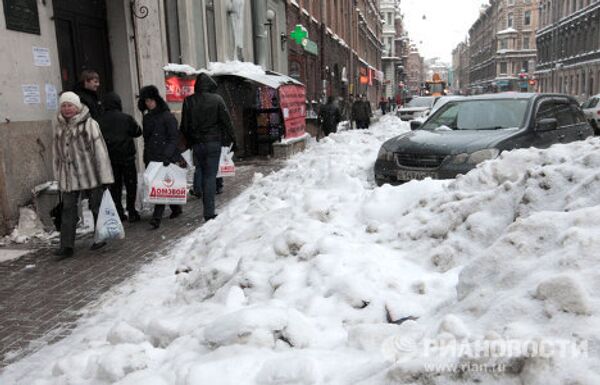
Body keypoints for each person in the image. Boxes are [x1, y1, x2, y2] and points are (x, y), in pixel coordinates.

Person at [52, 92, 114, 260]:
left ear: (77, 107)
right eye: (64, 105)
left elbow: (100, 151)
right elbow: (56, 155)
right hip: (69, 177)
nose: (67, 109)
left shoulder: (89, 124)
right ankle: (66, 246)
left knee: (96, 206)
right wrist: (59, 176)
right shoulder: (59, 127)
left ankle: (100, 237)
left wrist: (105, 177)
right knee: (68, 210)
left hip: (90, 173)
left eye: (70, 105)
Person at [180, 73, 236, 222]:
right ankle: (209, 212)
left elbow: (184, 126)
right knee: (210, 177)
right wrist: (232, 140)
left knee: (200, 171)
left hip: (197, 145)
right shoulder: (217, 99)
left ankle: (199, 192)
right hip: (213, 143)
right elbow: (227, 122)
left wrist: (190, 142)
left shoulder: (188, 101)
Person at [138, 85, 185, 229]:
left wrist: (168, 155)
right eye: (146, 101)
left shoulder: (167, 116)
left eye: (151, 100)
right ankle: (176, 208)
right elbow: (147, 139)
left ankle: (156, 218)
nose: (149, 103)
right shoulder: (147, 118)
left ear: (156, 100)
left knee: (160, 187)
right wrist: (146, 156)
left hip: (165, 156)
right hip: (153, 156)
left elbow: (173, 138)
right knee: (162, 186)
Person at [98, 92, 142, 222]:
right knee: (131, 184)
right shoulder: (126, 118)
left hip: (111, 159)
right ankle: (132, 210)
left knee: (115, 186)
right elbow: (138, 132)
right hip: (127, 157)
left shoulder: (99, 120)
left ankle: (119, 211)